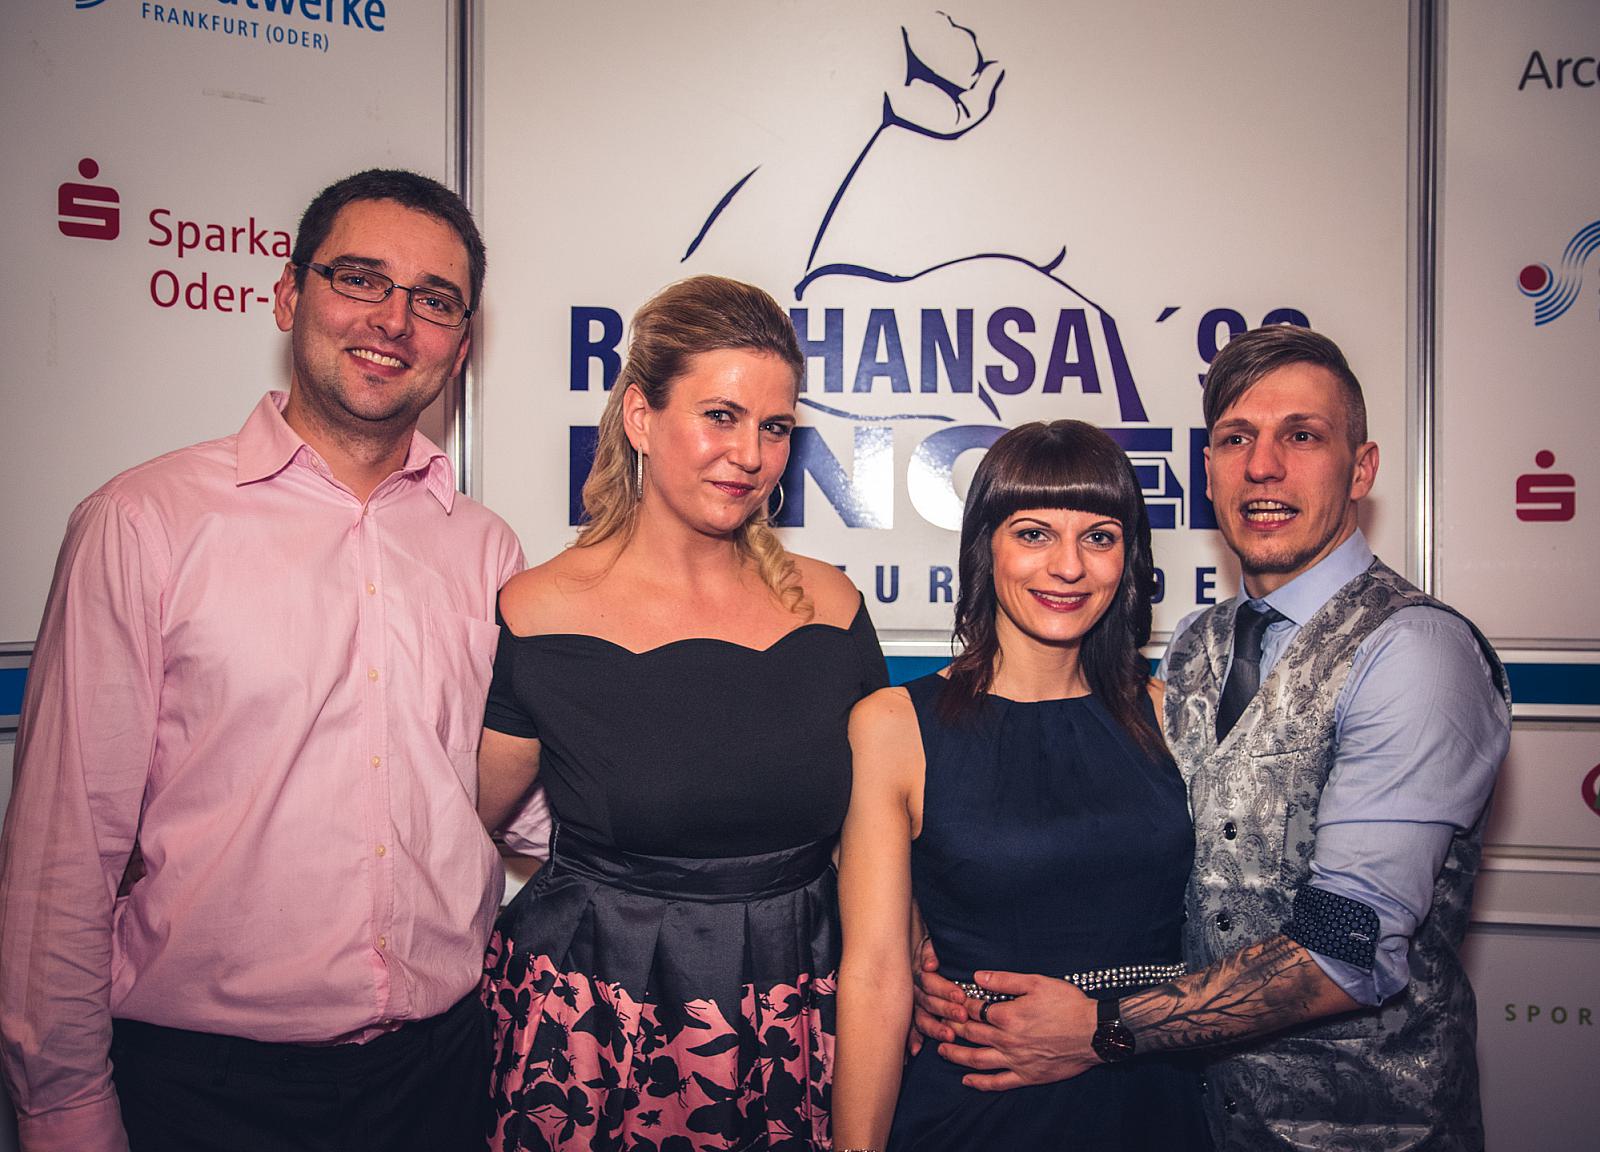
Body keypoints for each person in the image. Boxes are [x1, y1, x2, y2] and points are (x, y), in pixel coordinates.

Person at [0, 169, 547, 1152]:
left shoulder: (488, 550)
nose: (393, 321)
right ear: (290, 294)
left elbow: (509, 803)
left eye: (434, 301)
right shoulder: (142, 523)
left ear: (462, 344)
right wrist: (62, 1108)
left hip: (439, 1078)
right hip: (204, 1094)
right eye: (360, 279)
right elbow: (62, 860)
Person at [914, 326, 1511, 1151]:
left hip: (1364, 1132)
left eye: (1302, 436)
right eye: (1237, 439)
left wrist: (1103, 1026)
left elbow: (1347, 950)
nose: (1263, 466)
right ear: (1208, 469)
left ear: (1362, 469)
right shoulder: (1198, 644)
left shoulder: (1416, 652)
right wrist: (942, 942)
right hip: (1188, 1119)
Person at [475, 274, 889, 1150]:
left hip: (800, 1015)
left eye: (775, 427)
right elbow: (464, 821)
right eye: (720, 416)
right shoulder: (540, 611)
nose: (750, 455)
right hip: (598, 1027)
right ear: (640, 416)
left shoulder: (834, 608)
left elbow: (885, 850)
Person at [832, 421, 1211, 1152]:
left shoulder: (1173, 716)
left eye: (1099, 537)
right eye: (1034, 534)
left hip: (1152, 1104)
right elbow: (876, 977)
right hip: (977, 1109)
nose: (1068, 567)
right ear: (987, 547)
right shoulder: (894, 725)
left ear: (1129, 558)